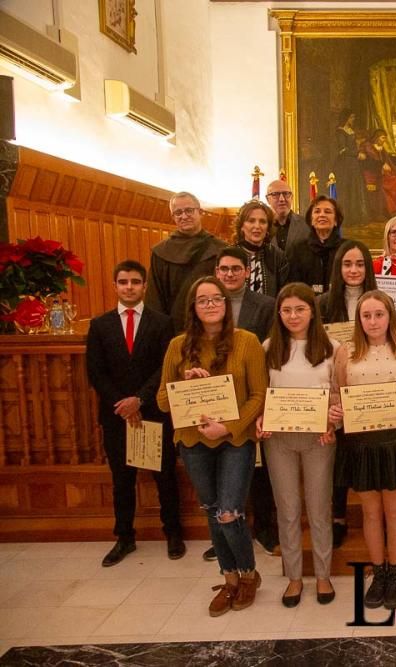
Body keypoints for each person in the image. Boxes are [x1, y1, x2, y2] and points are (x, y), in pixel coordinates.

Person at [156, 277, 268, 617]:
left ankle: (249, 574)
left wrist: (229, 426)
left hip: (235, 439)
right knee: (211, 509)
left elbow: (259, 396)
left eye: (216, 298)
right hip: (193, 442)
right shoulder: (177, 346)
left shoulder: (246, 341)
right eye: (202, 300)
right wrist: (183, 387)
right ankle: (229, 577)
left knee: (229, 512)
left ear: (226, 302)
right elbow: (162, 401)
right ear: (193, 307)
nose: (210, 305)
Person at [329, 290, 396, 610]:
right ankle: (379, 572)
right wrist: (336, 411)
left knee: (395, 510)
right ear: (359, 319)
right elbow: (335, 395)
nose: (373, 321)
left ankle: (395, 572)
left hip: (395, 441)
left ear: (390, 317)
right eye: (366, 315)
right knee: (370, 512)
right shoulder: (346, 352)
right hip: (361, 443)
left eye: (379, 315)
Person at [85, 260, 184, 566]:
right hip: (116, 415)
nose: (129, 287)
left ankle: (173, 533)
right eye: (124, 282)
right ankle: (125, 537)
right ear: (115, 286)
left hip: (152, 410)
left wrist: (139, 400)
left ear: (144, 286)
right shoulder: (100, 325)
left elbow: (165, 369)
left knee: (164, 476)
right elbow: (95, 372)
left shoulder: (161, 322)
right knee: (122, 480)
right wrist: (122, 404)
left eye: (135, 282)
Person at [257, 283, 337, 607]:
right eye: (286, 310)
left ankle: (322, 574)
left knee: (319, 509)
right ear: (279, 313)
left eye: (300, 309)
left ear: (312, 311)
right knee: (288, 509)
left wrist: (334, 422)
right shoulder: (268, 347)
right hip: (279, 440)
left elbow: (337, 394)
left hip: (319, 438)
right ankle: (293, 577)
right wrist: (260, 418)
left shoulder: (331, 347)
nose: (293, 316)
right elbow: (261, 393)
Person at [214, 247, 279, 560]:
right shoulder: (208, 304)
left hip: (254, 398)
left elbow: (271, 353)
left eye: (236, 268)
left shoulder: (266, 306)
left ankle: (265, 531)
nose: (229, 274)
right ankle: (227, 535)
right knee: (224, 470)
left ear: (247, 270)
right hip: (217, 402)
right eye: (224, 269)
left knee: (260, 471)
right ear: (217, 272)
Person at [319, 240, 378, 546]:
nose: (354, 270)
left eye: (359, 264)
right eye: (347, 264)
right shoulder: (324, 304)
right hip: (336, 386)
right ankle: (338, 517)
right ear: (338, 267)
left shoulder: (380, 300)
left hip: (372, 386)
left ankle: (377, 514)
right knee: (340, 455)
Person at [147, 191, 226, 332]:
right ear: (173, 217)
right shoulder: (160, 252)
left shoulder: (220, 249)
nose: (184, 216)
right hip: (172, 329)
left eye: (189, 210)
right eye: (178, 213)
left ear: (200, 212)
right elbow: (154, 299)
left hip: (213, 328)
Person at [285, 195, 344, 294]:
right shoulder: (297, 249)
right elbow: (292, 286)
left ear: (336, 221)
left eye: (327, 211)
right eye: (317, 211)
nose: (322, 215)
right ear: (311, 220)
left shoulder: (346, 249)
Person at [233, 199, 289, 297]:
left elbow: (284, 294)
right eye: (251, 221)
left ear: (268, 227)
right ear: (242, 226)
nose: (257, 226)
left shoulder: (278, 256)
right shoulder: (229, 255)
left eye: (262, 221)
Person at [332, 109, 367, 227]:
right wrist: (357, 154)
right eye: (351, 117)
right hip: (345, 164)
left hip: (353, 164)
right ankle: (346, 218)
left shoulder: (350, 130)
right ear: (346, 118)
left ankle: (355, 217)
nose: (353, 119)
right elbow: (343, 150)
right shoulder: (340, 132)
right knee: (346, 188)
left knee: (355, 187)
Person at [265, 180, 311, 253]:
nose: (282, 199)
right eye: (275, 194)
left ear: (292, 197)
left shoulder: (307, 224)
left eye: (286, 194)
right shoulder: (263, 226)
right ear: (268, 199)